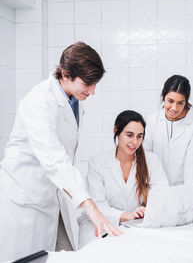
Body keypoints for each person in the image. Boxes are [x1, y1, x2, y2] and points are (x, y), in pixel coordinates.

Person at [0, 42, 122, 262]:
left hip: (51, 198)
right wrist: (89, 205)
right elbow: (54, 159)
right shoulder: (38, 101)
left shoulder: (74, 102)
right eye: (88, 84)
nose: (93, 91)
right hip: (25, 200)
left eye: (95, 84)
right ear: (66, 74)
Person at [79, 110, 169, 248]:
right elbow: (97, 204)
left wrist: (148, 210)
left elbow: (162, 195)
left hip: (134, 227)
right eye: (129, 135)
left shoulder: (151, 161)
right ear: (116, 131)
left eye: (139, 136)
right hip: (98, 227)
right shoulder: (98, 162)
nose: (135, 142)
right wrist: (126, 215)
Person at [143, 75, 193, 186]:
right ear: (163, 96)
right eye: (170, 101)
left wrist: (190, 198)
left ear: (186, 101)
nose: (174, 108)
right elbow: (145, 154)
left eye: (180, 103)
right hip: (155, 186)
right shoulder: (154, 118)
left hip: (182, 188)